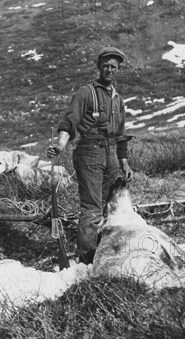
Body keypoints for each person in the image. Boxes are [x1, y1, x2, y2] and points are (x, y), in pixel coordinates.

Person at [47, 46, 133, 264]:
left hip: (110, 155)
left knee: (107, 207)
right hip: (89, 153)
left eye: (113, 66)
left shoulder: (118, 99)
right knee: (92, 210)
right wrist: (60, 145)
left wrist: (124, 163)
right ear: (99, 67)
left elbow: (121, 134)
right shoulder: (86, 93)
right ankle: (86, 260)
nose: (109, 70)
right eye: (105, 66)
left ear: (118, 69)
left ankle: (103, 252)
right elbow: (70, 121)